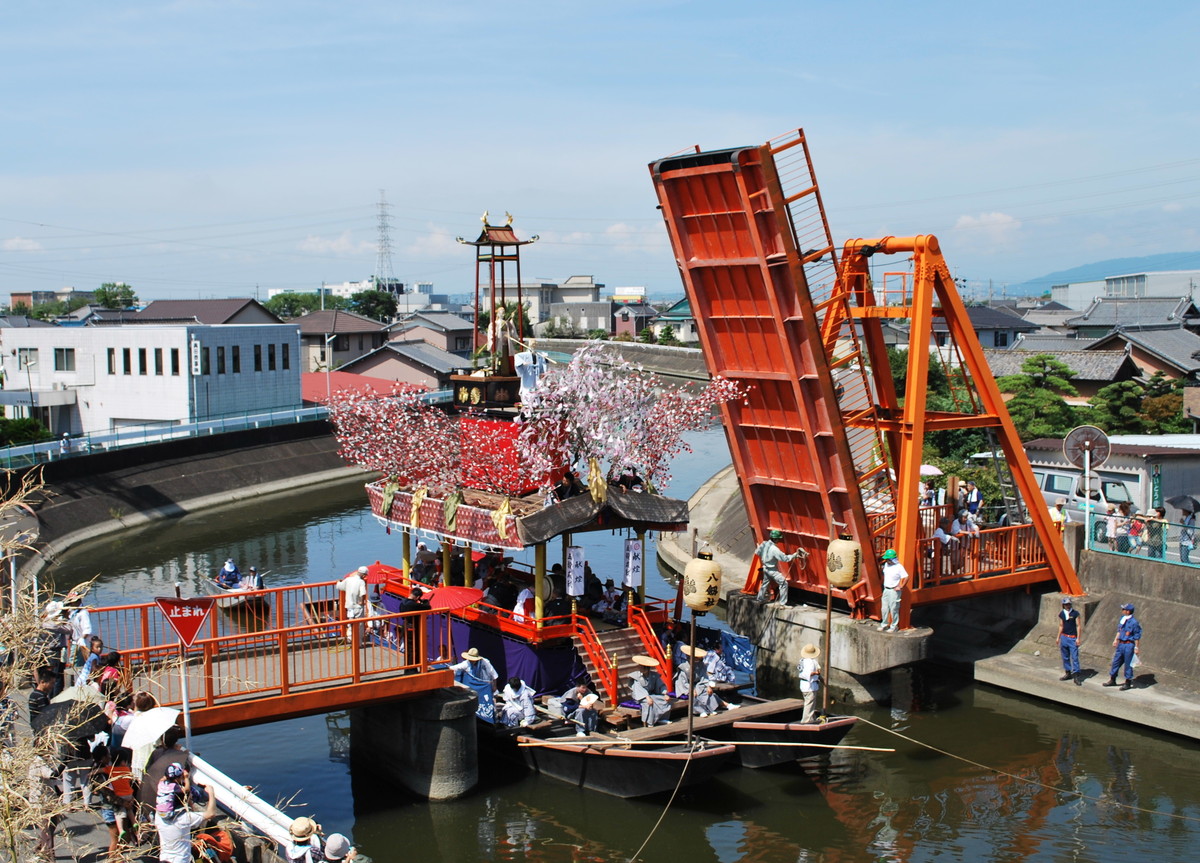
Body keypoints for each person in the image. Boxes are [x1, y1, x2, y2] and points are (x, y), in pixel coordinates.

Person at [154, 767, 217, 863]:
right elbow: (211, 813)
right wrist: (211, 793)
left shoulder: (159, 815)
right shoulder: (185, 819)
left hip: (164, 859)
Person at [754, 528, 804, 606]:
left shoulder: (764, 543)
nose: (779, 540)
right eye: (778, 539)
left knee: (765, 583)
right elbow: (785, 559)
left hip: (765, 568)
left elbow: (757, 552)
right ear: (776, 539)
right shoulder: (775, 549)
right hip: (772, 570)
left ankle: (760, 599)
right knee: (784, 583)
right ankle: (782, 603)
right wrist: (795, 555)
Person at [1104, 602, 1142, 691]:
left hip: (1129, 645)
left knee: (1128, 664)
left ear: (1128, 611)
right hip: (1121, 644)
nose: (1122, 611)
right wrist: (1115, 640)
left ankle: (1127, 682)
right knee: (1115, 662)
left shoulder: (1134, 623)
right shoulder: (1122, 619)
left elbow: (1137, 636)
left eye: (1124, 609)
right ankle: (1112, 679)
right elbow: (1119, 630)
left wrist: (1136, 647)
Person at [628, 654, 671, 727]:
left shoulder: (654, 675)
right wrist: (647, 697)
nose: (640, 668)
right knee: (649, 703)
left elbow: (660, 685)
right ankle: (650, 722)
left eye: (642, 667)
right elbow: (638, 689)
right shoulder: (636, 676)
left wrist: (665, 693)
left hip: (652, 695)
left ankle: (661, 718)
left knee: (664, 700)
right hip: (641, 697)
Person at [879, 548, 909, 633]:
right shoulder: (886, 565)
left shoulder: (899, 567)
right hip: (886, 589)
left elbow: (906, 577)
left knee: (894, 609)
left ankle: (894, 626)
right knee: (884, 608)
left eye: (888, 559)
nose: (887, 560)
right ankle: (884, 624)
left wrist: (901, 586)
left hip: (894, 590)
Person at [337, 566, 369, 640]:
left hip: (349, 607)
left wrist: (338, 581)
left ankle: (350, 639)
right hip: (357, 607)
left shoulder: (348, 579)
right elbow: (363, 593)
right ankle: (358, 642)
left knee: (351, 623)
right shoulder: (361, 582)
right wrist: (361, 602)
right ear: (364, 575)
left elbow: (339, 586)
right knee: (359, 625)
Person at [1057, 597, 1083, 685]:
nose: (1067, 606)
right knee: (1065, 656)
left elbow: (1078, 626)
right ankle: (1067, 672)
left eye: (1069, 604)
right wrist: (1058, 637)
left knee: (1075, 657)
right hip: (1064, 637)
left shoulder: (1075, 613)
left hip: (1072, 637)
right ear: (1063, 605)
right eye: (1066, 604)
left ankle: (1076, 675)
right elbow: (1061, 625)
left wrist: (1078, 638)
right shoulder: (1062, 614)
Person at [797, 642, 822, 724]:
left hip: (804, 686)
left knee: (809, 702)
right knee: (809, 703)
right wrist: (816, 673)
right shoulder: (810, 662)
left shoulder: (802, 660)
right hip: (809, 686)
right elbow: (809, 673)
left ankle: (812, 718)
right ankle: (806, 721)